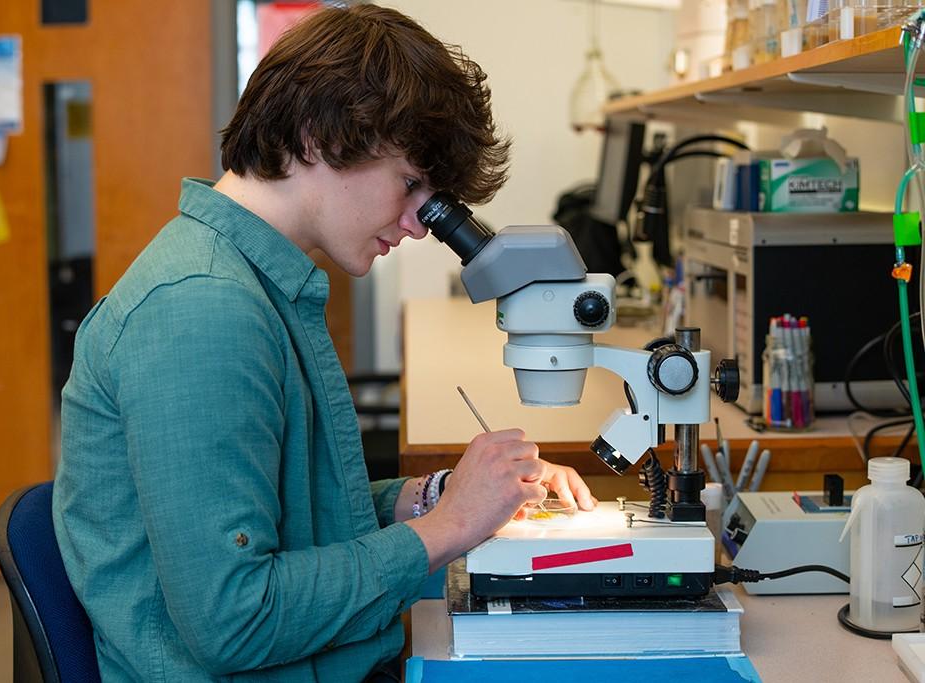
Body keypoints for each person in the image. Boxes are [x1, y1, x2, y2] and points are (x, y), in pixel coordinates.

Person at [53, 5, 597, 682]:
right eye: (410, 185)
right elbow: (236, 617)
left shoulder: (256, 284)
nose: (420, 224)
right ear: (317, 137)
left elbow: (288, 517)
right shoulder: (203, 310)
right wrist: (449, 527)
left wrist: (439, 494)